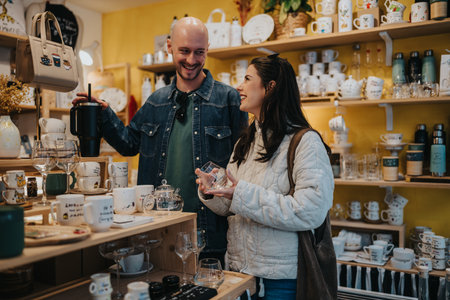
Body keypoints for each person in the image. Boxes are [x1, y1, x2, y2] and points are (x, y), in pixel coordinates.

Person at [73, 17, 247, 261]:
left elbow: (244, 164)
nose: (191, 60)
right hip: (158, 228)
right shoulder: (156, 101)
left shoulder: (229, 99)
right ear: (169, 47)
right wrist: (103, 114)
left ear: (207, 50)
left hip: (212, 232)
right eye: (184, 51)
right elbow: (128, 144)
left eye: (199, 52)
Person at [195, 55, 334, 299]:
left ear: (270, 87)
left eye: (248, 79)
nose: (239, 86)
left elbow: (310, 211)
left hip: (281, 280)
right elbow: (233, 205)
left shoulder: (305, 142)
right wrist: (213, 190)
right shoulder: (245, 142)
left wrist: (240, 193)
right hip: (240, 273)